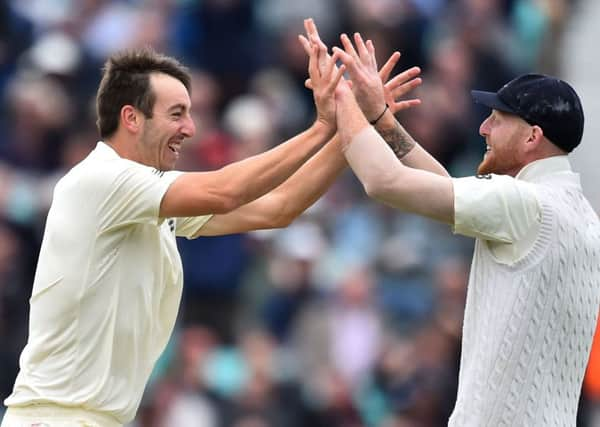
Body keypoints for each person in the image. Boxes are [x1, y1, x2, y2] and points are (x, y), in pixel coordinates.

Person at [0, 19, 422, 427]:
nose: (191, 128)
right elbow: (226, 190)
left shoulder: (144, 200)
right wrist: (323, 126)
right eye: (178, 114)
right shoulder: (103, 180)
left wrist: (353, 125)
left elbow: (279, 207)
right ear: (131, 118)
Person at [323, 28, 600, 426]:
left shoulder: (524, 204)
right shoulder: (579, 215)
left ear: (532, 137)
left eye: (497, 120)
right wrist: (383, 121)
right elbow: (443, 190)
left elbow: (383, 183)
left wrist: (344, 100)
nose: (483, 129)